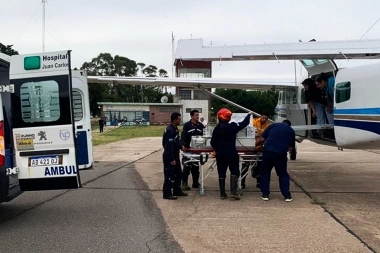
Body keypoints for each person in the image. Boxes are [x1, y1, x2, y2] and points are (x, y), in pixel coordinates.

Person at [211, 108, 253, 200]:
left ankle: (222, 193)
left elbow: (212, 142)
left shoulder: (216, 129)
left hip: (220, 154)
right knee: (234, 171)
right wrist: (249, 115)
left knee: (221, 173)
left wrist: (217, 149)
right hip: (231, 153)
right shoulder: (232, 126)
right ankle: (233, 192)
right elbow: (243, 124)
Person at [256, 120, 295, 202]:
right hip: (280, 154)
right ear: (289, 125)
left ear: (282, 122)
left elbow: (262, 139)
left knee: (265, 173)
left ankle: (265, 194)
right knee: (283, 174)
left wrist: (256, 144)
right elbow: (290, 148)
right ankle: (287, 196)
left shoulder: (272, 126)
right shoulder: (291, 131)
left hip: (268, 152)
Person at [162, 112, 188, 200]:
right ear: (175, 120)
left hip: (175, 155)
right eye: (179, 119)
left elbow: (177, 141)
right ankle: (167, 193)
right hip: (170, 156)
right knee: (169, 175)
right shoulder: (170, 131)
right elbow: (167, 147)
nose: (180, 121)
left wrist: (181, 146)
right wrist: (171, 159)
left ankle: (177, 190)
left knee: (178, 174)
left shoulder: (175, 129)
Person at [241, 112, 270, 189]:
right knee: (245, 164)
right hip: (249, 146)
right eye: (263, 117)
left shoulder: (268, 125)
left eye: (266, 118)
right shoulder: (253, 121)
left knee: (259, 165)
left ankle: (259, 182)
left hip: (259, 147)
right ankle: (242, 182)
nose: (264, 119)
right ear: (260, 116)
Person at [180, 110, 205, 190]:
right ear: (191, 116)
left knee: (196, 167)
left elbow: (204, 136)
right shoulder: (187, 125)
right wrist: (183, 145)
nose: (197, 116)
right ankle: (184, 183)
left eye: (198, 115)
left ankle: (195, 182)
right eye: (196, 115)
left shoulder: (201, 125)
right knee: (187, 166)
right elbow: (183, 135)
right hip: (188, 150)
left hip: (197, 150)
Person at [315, 73, 335, 139]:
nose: (317, 87)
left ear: (323, 82)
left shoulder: (332, 83)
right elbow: (328, 96)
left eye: (318, 84)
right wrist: (329, 106)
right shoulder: (325, 88)